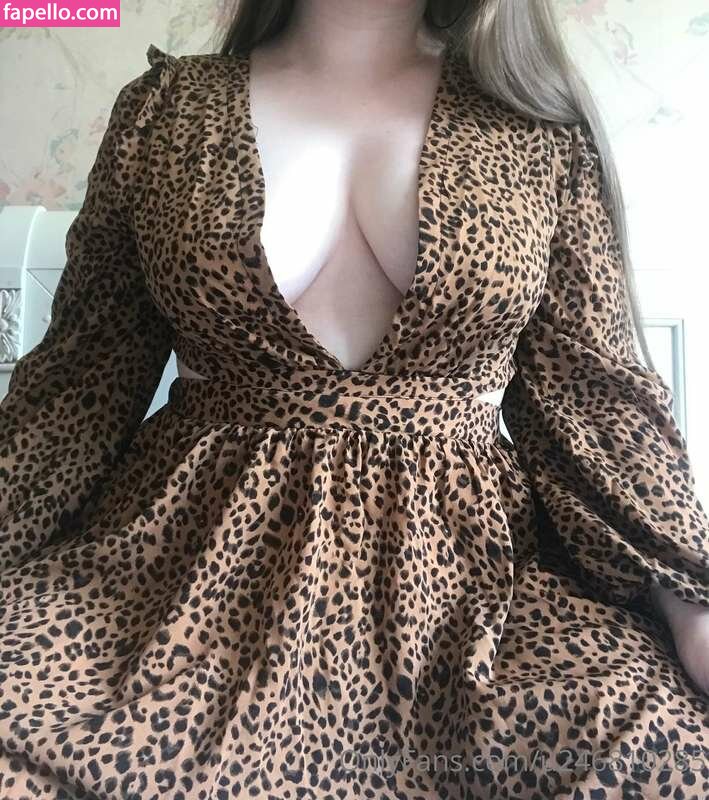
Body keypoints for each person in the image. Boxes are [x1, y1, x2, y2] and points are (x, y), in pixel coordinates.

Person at [0, 0, 707, 797]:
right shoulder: (167, 111)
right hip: (174, 578)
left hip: (467, 595)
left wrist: (692, 605)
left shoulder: (538, 128)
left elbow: (593, 395)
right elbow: (79, 383)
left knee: (654, 753)